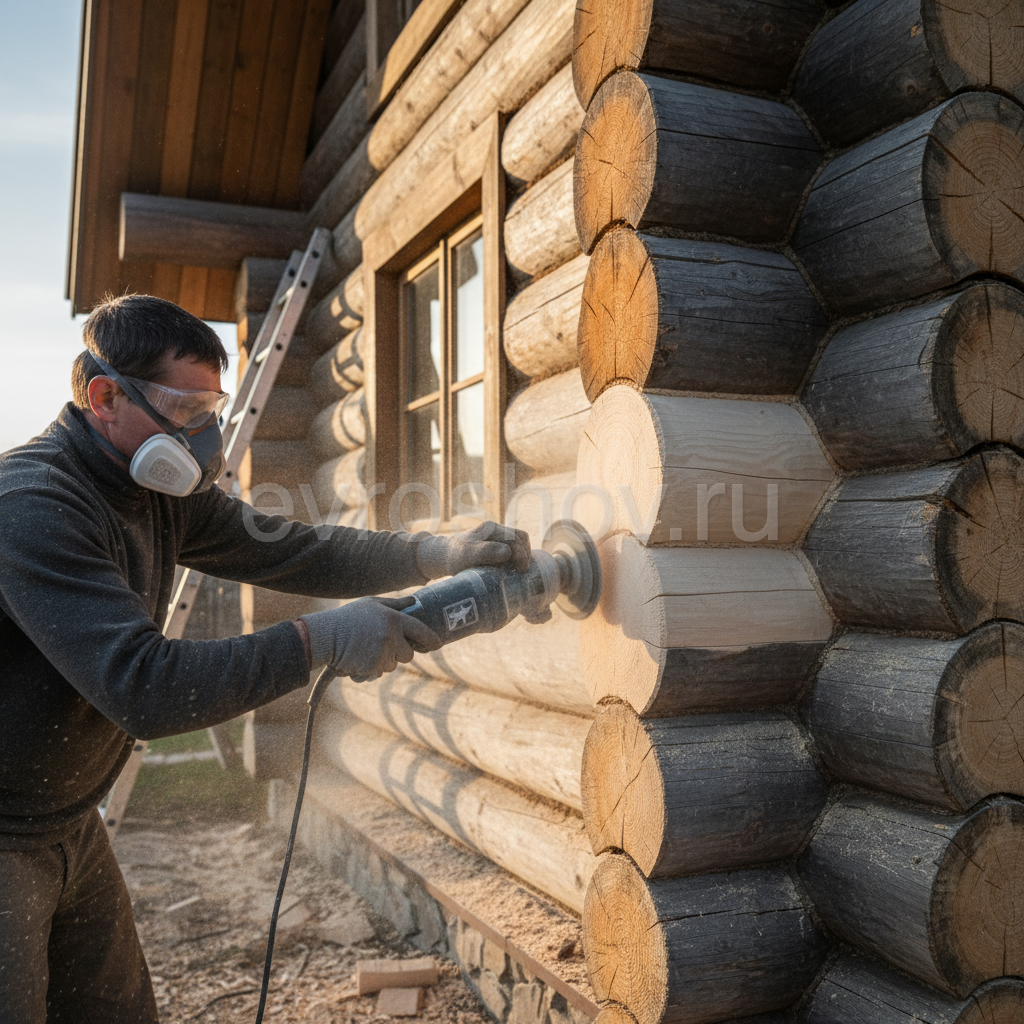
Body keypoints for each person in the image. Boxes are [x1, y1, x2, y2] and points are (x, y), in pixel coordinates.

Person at [0, 294, 529, 1023]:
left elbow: (296, 549)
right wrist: (318, 643)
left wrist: (433, 553)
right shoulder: (31, 505)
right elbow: (146, 689)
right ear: (104, 396)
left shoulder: (153, 489)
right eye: (186, 412)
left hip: (63, 820)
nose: (206, 436)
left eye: (212, 408)